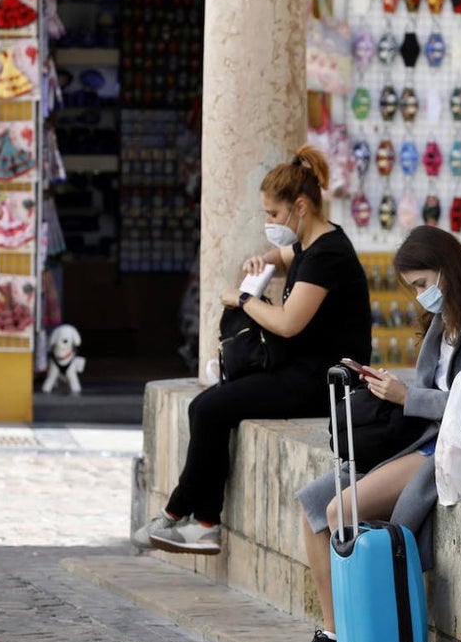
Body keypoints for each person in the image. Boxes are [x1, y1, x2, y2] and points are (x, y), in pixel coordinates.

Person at [282, 225, 461, 642]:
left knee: (340, 510)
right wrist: (389, 388)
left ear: (447, 270)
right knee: (314, 504)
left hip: (450, 448)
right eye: (414, 287)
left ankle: (365, 635)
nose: (421, 295)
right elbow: (431, 389)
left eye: (423, 283)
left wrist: (408, 397)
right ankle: (334, 635)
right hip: (418, 438)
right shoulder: (444, 321)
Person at [131, 144, 372, 555]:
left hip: (321, 381)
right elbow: (284, 255)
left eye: (274, 215)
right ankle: (201, 521)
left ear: (300, 207)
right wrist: (263, 261)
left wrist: (243, 299)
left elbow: (288, 322)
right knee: (208, 404)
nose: (269, 223)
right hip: (299, 369)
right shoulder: (311, 243)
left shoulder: (328, 255)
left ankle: (184, 515)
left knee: (209, 408)